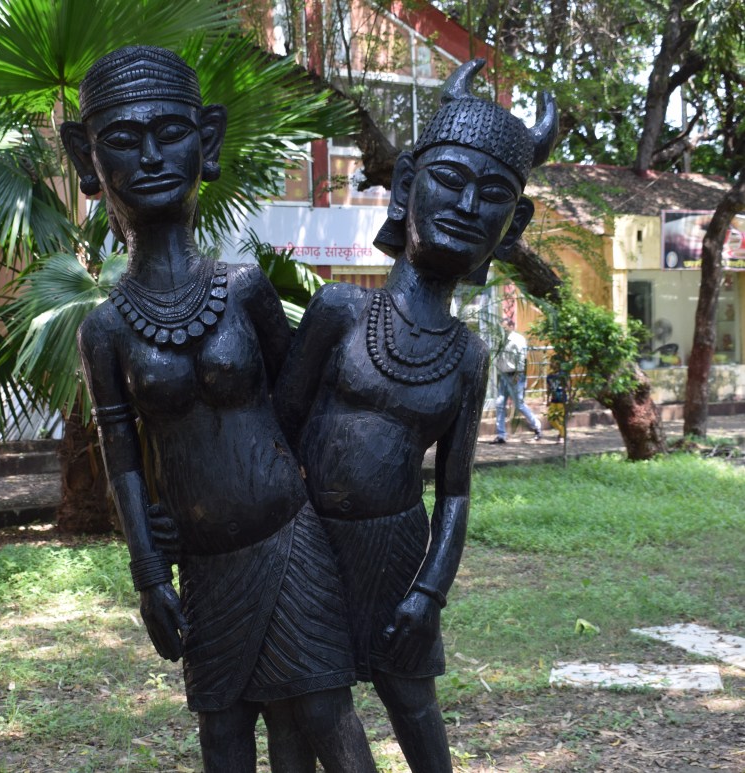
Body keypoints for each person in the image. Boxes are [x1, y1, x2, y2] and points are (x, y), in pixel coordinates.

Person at [61, 46, 375, 773]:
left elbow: (301, 406)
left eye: (169, 132)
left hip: (290, 537)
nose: (149, 155)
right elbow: (124, 464)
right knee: (225, 734)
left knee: (326, 715)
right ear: (87, 156)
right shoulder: (105, 329)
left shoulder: (243, 289)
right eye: (121, 138)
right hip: (205, 567)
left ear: (206, 142)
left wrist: (330, 323)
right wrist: (147, 571)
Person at [274, 58, 557, 772]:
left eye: (491, 194)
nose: (466, 205)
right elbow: (276, 427)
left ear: (512, 222)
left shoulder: (467, 356)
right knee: (299, 706)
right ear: (406, 187)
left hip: (396, 551)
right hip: (307, 547)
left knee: (414, 701)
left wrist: (429, 592)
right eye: (449, 181)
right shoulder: (339, 311)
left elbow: (455, 490)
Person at [492, 317, 543, 443]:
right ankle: (501, 435)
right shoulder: (501, 339)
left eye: (504, 327)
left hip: (515, 375)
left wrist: (518, 374)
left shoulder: (518, 339)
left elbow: (521, 358)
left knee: (519, 404)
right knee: (499, 404)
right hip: (503, 375)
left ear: (511, 326)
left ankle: (537, 426)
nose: (502, 330)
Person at [546, 356, 569, 442]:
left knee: (561, 418)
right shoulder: (549, 376)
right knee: (550, 418)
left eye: (554, 362)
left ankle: (562, 436)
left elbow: (568, 386)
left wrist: (568, 398)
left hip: (562, 399)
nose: (552, 364)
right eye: (551, 362)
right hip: (553, 399)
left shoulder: (563, 375)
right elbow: (548, 389)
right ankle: (562, 431)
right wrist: (547, 399)